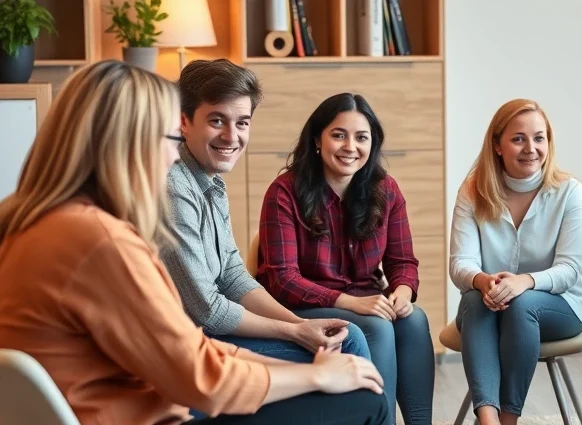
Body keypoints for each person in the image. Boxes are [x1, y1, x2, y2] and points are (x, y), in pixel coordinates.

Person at [0, 60, 388, 425]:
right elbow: (201, 375)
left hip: (118, 396)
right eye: (171, 137)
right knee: (364, 399)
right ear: (129, 142)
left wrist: (304, 355)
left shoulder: (33, 221)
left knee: (345, 374)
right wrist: (314, 377)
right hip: (135, 411)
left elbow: (188, 348)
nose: (173, 156)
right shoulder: (101, 240)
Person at [160, 59, 369, 374]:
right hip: (187, 356)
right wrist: (294, 331)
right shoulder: (175, 188)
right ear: (184, 122)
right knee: (349, 342)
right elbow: (208, 311)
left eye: (242, 122)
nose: (232, 137)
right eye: (217, 120)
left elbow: (233, 276)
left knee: (342, 337)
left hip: (207, 337)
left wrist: (301, 323)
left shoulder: (210, 180)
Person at [254, 93, 434, 425]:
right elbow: (282, 280)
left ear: (372, 144)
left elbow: (403, 261)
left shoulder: (386, 190)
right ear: (318, 140)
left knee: (414, 320)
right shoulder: (284, 191)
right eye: (339, 134)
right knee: (377, 327)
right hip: (303, 304)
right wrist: (349, 302)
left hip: (366, 300)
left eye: (361, 137)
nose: (350, 146)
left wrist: (403, 293)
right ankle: (381, 422)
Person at [449, 98, 582, 425]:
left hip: (561, 305)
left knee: (521, 303)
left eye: (539, 138)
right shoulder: (473, 191)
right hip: (488, 304)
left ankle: (507, 420)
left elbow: (570, 271)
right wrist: (483, 281)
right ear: (498, 145)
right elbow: (460, 264)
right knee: (474, 298)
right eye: (518, 138)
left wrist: (523, 282)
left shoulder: (569, 192)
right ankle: (488, 419)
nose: (531, 148)